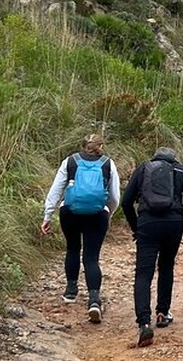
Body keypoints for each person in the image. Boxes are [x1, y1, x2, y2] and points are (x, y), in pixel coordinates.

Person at [121, 147, 183, 348]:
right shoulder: (181, 170)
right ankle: (162, 313)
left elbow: (126, 202)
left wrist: (135, 226)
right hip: (173, 223)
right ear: (174, 157)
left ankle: (144, 322)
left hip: (147, 224)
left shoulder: (144, 168)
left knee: (143, 273)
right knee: (166, 266)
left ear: (155, 156)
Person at [41, 133, 120, 323]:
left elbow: (56, 190)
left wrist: (48, 215)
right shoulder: (108, 164)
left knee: (73, 248)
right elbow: (115, 196)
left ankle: (71, 291)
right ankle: (94, 300)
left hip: (70, 212)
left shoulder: (70, 162)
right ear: (101, 146)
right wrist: (108, 212)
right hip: (97, 214)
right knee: (91, 257)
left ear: (83, 145)